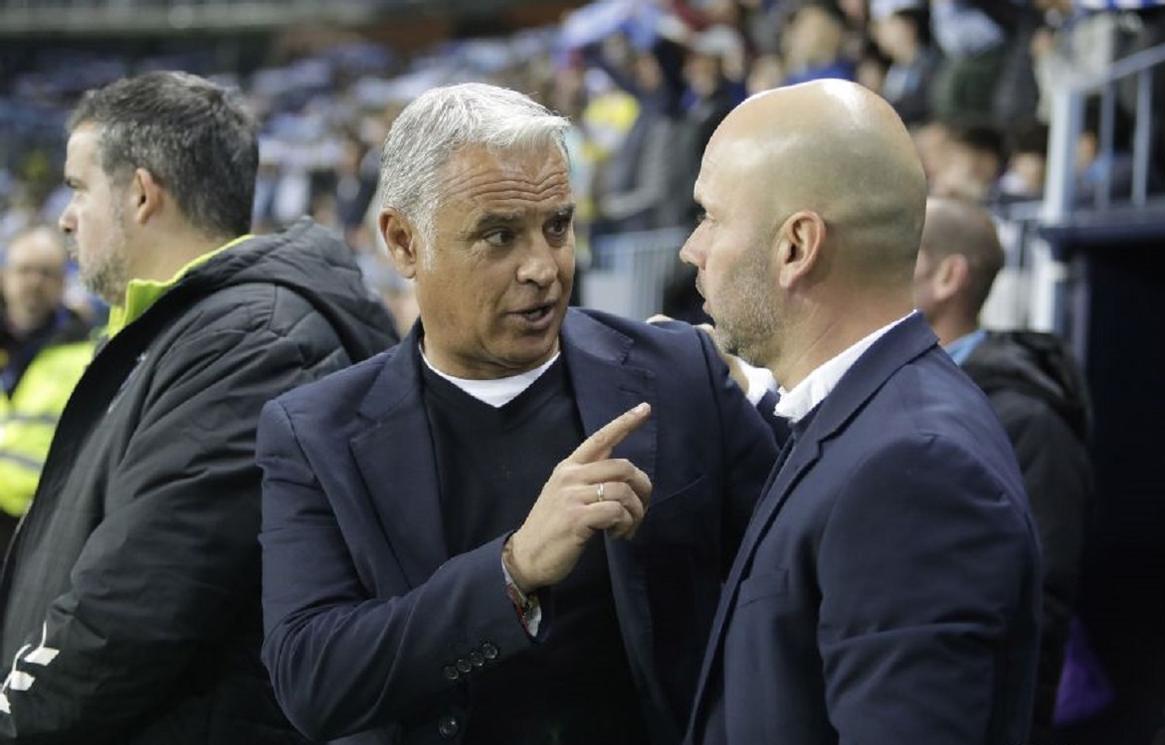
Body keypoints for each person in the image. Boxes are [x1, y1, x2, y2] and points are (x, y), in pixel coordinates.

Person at [255, 82, 779, 745]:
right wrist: (513, 571)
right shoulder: (315, 434)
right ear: (404, 242)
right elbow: (313, 681)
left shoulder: (678, 374)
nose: (543, 268)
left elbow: (790, 574)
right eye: (498, 235)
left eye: (557, 226)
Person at [0, 71, 397, 744]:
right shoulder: (186, 332)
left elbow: (132, 612)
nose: (66, 216)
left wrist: (13, 715)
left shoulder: (254, 342)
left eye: (78, 188)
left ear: (141, 193)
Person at [680, 79, 1041, 745]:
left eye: (711, 218)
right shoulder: (862, 416)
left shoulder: (913, 468)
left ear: (796, 246)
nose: (691, 250)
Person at [914, 196, 1092, 744]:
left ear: (949, 277)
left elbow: (1041, 606)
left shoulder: (1030, 422)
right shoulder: (887, 394)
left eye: (900, 252)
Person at [0, 225, 93, 550]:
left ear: (63, 281)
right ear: (5, 275)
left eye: (46, 272)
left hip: (37, 525)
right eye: (24, 270)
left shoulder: (87, 351)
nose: (34, 282)